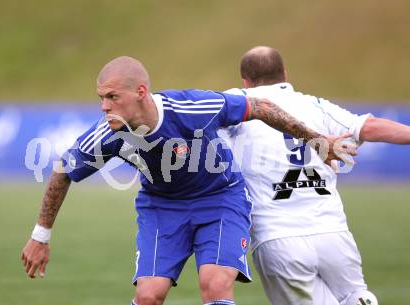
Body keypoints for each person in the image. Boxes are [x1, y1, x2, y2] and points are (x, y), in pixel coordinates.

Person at [21, 56, 353, 305]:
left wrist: (316, 141)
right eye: (101, 99)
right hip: (161, 208)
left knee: (215, 284)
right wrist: (41, 235)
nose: (105, 107)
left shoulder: (194, 107)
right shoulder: (107, 135)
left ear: (140, 92)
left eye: (112, 98)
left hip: (221, 200)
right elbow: (63, 170)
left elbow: (260, 106)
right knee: (150, 295)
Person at [221, 46, 410, 305]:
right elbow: (370, 127)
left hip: (278, 236)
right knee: (356, 295)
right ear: (285, 74)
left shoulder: (236, 103)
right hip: (333, 233)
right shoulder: (315, 105)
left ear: (245, 80)